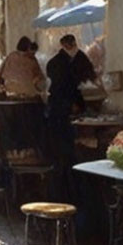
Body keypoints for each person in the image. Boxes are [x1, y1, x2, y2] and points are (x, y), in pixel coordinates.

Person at [45, 34, 93, 201]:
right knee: (63, 155)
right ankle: (66, 193)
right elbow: (60, 87)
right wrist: (69, 104)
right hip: (61, 112)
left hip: (68, 109)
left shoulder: (78, 58)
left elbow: (88, 77)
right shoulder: (57, 63)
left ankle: (70, 190)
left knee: (67, 155)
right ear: (64, 44)